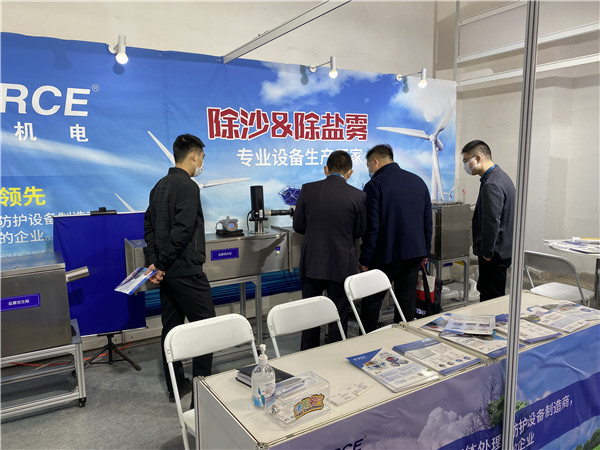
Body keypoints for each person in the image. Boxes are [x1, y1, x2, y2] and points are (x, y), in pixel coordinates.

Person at [144, 133, 215, 402]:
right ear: (194, 155)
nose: (202, 163)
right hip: (186, 271)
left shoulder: (158, 186)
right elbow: (184, 230)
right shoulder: (188, 186)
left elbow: (149, 228)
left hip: (167, 273)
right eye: (202, 157)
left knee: (171, 329)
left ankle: (176, 387)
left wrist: (156, 263)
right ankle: (202, 395)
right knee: (206, 329)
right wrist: (160, 263)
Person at [293, 150, 367, 349]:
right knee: (339, 315)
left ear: (326, 169)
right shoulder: (358, 196)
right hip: (342, 263)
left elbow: (298, 226)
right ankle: (335, 353)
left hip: (312, 263)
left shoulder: (307, 189)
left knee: (310, 315)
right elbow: (360, 231)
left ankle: (307, 354)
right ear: (349, 172)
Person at [358, 144, 432, 331]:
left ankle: (366, 340)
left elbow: (372, 227)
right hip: (414, 253)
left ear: (375, 162)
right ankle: (402, 337)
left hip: (386, 255)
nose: (369, 170)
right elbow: (427, 221)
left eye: (369, 165)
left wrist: (365, 258)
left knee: (371, 302)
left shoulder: (375, 185)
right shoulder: (418, 181)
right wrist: (425, 251)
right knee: (406, 301)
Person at [461, 139, 515, 301]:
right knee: (494, 294)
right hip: (502, 250)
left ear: (478, 158)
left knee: (491, 298)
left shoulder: (492, 184)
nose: (465, 165)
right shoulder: (500, 177)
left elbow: (491, 222)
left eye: (466, 161)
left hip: (494, 254)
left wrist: (487, 252)